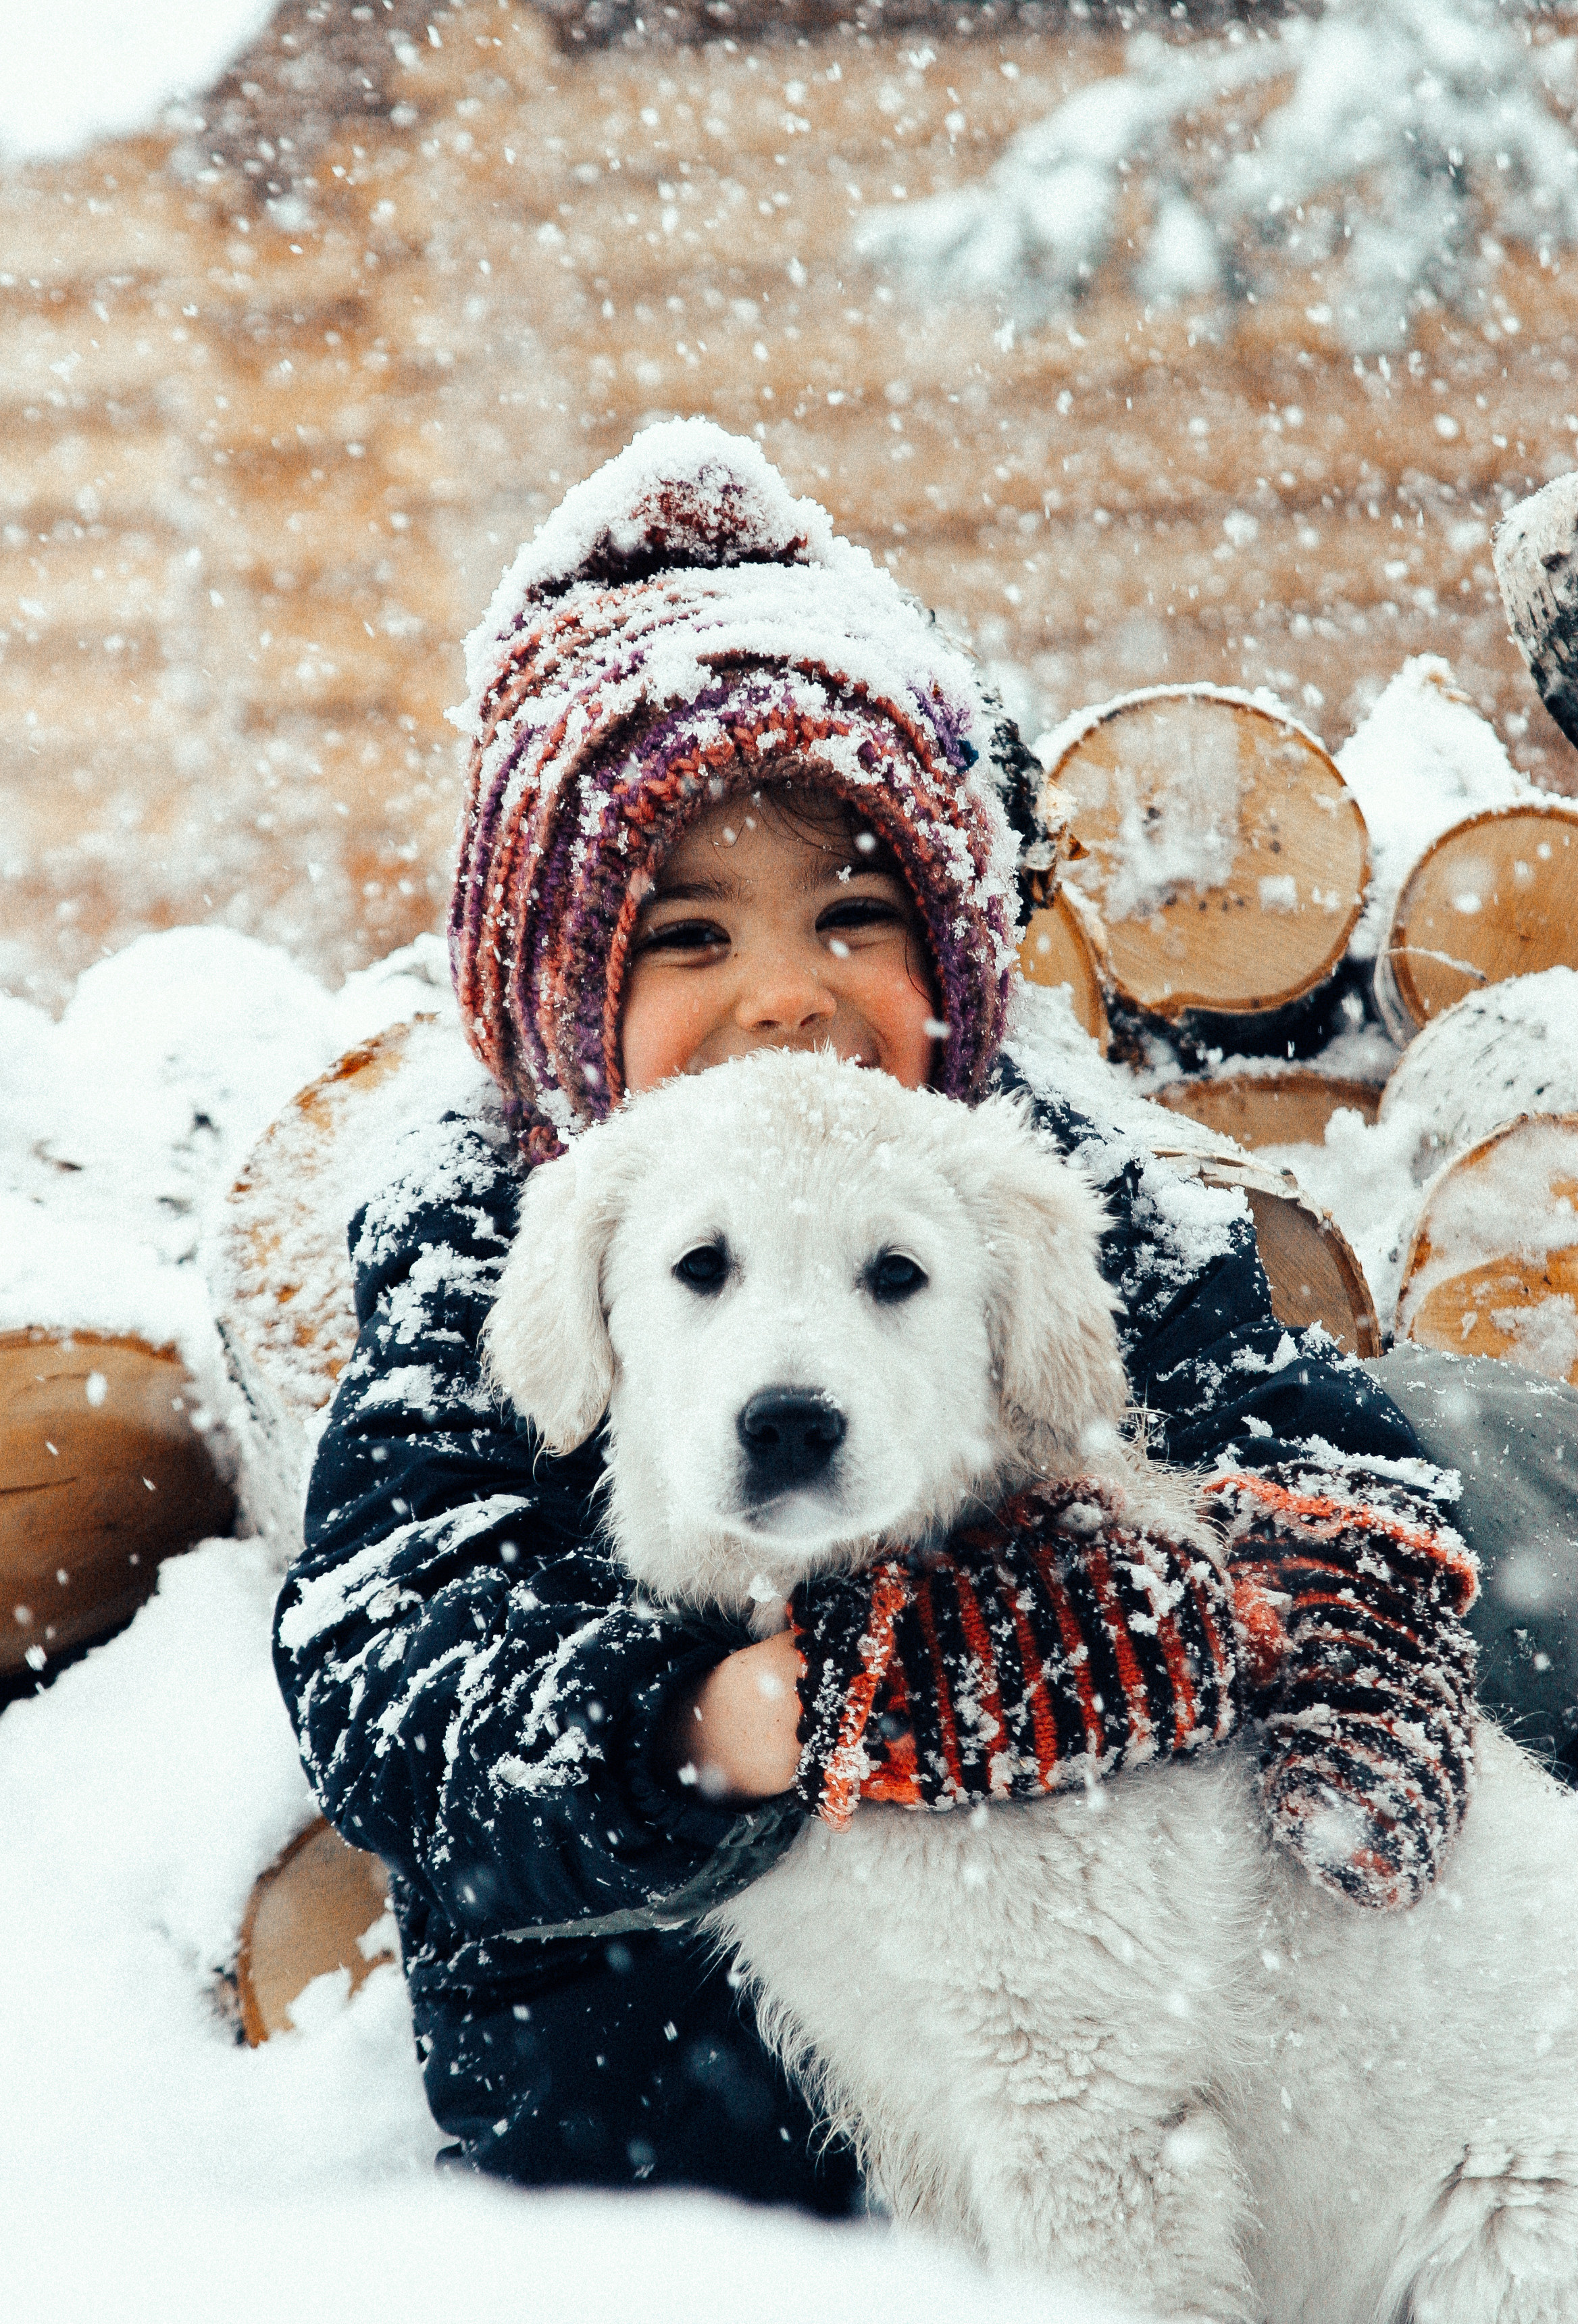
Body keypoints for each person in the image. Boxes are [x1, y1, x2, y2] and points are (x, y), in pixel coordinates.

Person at [272, 422, 1477, 2208]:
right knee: (606, 1985)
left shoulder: (1034, 1173)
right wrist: (713, 1718)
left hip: (1086, 2024)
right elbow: (395, 1645)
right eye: (688, 939)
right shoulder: (492, 1231)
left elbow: (1280, 1413)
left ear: (962, 959)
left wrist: (1289, 1610)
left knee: (1502, 1476)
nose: (788, 997)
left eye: (856, 915)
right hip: (682, 2064)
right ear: (556, 997)